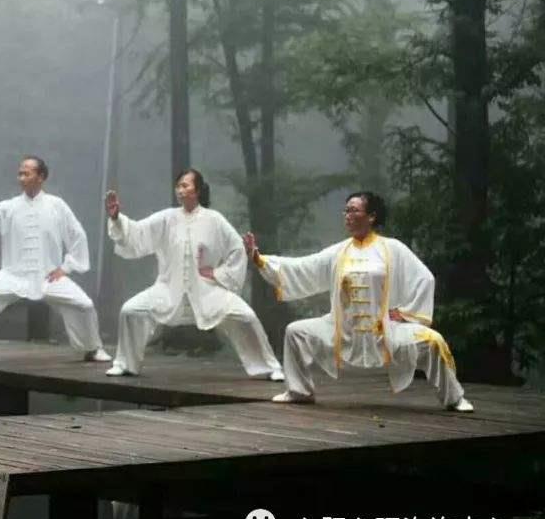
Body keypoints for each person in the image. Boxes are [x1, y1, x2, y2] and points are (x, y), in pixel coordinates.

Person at [244, 191, 474, 411]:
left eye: (353, 210)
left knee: (434, 341)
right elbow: (304, 267)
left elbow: (423, 278)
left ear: (371, 216)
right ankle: (299, 391)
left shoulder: (392, 248)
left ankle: (454, 398)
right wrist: (259, 259)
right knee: (296, 332)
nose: (348, 216)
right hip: (341, 329)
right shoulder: (339, 251)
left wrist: (406, 313)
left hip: (383, 331)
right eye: (346, 211)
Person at [103, 169, 283, 380]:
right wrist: (117, 219)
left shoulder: (214, 220)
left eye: (185, 185)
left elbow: (236, 249)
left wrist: (217, 274)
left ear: (197, 190)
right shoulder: (167, 218)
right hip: (168, 290)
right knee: (130, 310)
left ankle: (269, 367)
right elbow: (137, 233)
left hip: (207, 291)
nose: (180, 190)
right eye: (178, 186)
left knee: (246, 316)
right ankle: (125, 364)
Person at [0, 155, 110, 362]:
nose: (21, 177)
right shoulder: (9, 207)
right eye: (20, 173)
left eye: (26, 173)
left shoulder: (57, 206)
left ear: (41, 177)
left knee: (84, 305)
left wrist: (66, 267)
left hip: (48, 277)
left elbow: (77, 235)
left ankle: (92, 348)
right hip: (13, 274)